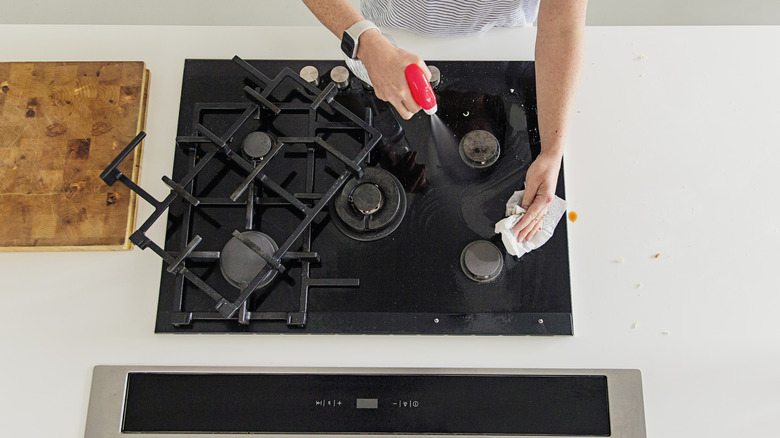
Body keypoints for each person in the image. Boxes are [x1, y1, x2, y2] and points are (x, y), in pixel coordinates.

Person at [302, 0, 587, 244]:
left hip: (505, 41)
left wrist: (552, 152)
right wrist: (366, 42)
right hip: (386, 41)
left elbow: (563, 26)